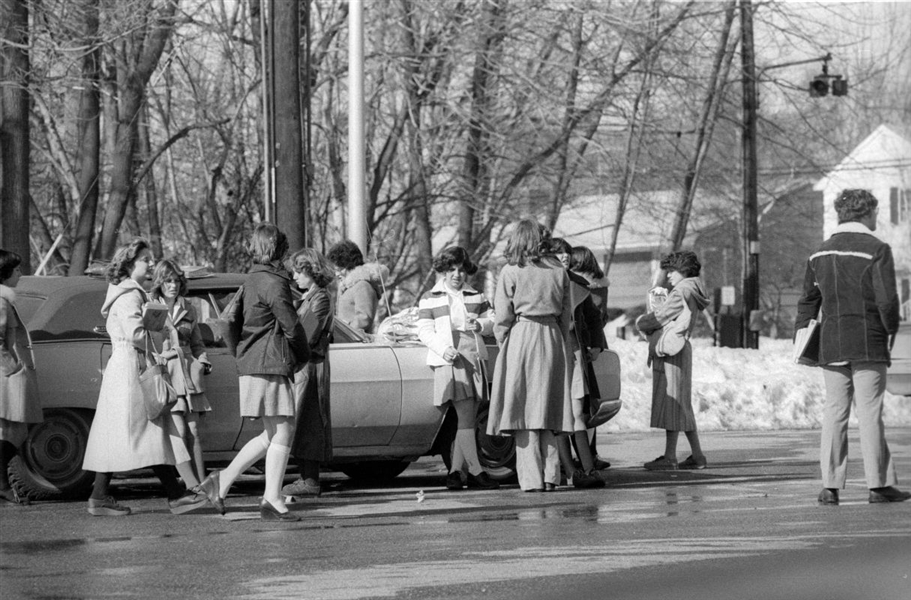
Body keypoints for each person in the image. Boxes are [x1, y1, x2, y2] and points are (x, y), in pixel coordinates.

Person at [795, 189, 910, 505]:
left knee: (835, 411)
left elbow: (808, 300)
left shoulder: (819, 253)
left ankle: (829, 486)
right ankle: (878, 485)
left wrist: (802, 332)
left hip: (831, 342)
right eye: (875, 212)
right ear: (866, 213)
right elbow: (887, 300)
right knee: (870, 412)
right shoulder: (877, 249)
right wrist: (890, 330)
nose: (877, 218)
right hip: (868, 340)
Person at [82, 239, 208, 516]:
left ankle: (101, 496)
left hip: (131, 367)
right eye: (145, 260)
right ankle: (175, 495)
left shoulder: (130, 292)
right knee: (153, 429)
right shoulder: (129, 295)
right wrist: (162, 332)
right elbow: (135, 335)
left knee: (133, 432)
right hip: (132, 368)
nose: (151, 263)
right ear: (129, 263)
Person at [197, 224, 309, 520]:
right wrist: (304, 353)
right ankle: (271, 498)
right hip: (270, 361)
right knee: (283, 430)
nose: (286, 259)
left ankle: (221, 481)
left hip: (252, 362)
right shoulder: (274, 282)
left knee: (271, 433)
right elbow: (291, 326)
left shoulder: (251, 279)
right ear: (278, 250)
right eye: (284, 252)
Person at [487, 220, 574, 492]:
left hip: (522, 335)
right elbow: (566, 314)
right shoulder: (559, 271)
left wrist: (505, 341)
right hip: (552, 336)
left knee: (523, 412)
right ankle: (551, 476)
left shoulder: (510, 271)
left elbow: (502, 317)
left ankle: (531, 479)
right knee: (549, 409)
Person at [417, 247, 499, 491]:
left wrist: (481, 324)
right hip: (450, 358)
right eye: (451, 269)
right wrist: (443, 349)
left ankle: (454, 473)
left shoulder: (476, 295)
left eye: (462, 270)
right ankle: (475, 471)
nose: (457, 274)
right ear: (443, 270)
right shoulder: (430, 297)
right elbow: (424, 330)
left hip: (473, 356)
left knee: (468, 416)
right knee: (465, 415)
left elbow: (493, 320)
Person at [635, 250, 710, 472]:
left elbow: (659, 318)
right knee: (682, 404)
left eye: (672, 271)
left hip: (671, 350)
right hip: (682, 349)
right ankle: (697, 455)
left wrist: (642, 322)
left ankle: (670, 457)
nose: (668, 276)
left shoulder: (681, 291)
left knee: (673, 404)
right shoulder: (694, 290)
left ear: (683, 270)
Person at [547, 239, 605, 489]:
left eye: (567, 252)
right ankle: (569, 471)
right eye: (559, 253)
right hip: (551, 352)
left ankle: (588, 469)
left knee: (577, 412)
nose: (565, 256)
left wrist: (595, 344)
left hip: (576, 351)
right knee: (558, 414)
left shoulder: (579, 284)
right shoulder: (543, 282)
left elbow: (594, 318)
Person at [149, 259, 213, 482]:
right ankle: (190, 486)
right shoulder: (151, 306)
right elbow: (146, 343)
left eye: (176, 280)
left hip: (188, 377)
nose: (173, 285)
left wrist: (202, 362)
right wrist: (159, 358)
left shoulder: (189, 307)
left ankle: (203, 486)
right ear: (159, 282)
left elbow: (198, 344)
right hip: (166, 377)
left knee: (195, 432)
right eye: (167, 281)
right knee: (179, 433)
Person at [282, 248, 335, 499]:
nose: (295, 277)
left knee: (310, 420)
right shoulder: (309, 297)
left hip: (312, 365)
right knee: (303, 419)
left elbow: (307, 333)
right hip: (305, 364)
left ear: (310, 271)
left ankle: (310, 479)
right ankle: (306, 477)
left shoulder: (320, 298)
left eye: (298, 272)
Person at [0, 250, 43, 505]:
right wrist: (12, 369)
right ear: (4, 273)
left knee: (13, 431)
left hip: (9, 373)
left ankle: (3, 485)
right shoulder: (2, 301)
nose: (20, 274)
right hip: (6, 375)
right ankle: (3, 486)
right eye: (16, 270)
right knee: (12, 431)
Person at [570, 245, 611, 469]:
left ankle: (585, 455)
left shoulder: (580, 286)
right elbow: (601, 317)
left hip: (582, 345)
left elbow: (590, 318)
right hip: (595, 344)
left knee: (583, 405)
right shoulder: (601, 285)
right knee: (589, 404)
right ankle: (590, 453)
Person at [326, 240, 388, 334]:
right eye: (336, 270)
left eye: (340, 269)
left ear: (350, 265)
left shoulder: (362, 285)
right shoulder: (350, 286)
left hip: (355, 341)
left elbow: (364, 318)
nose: (337, 274)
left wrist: (344, 329)